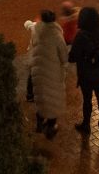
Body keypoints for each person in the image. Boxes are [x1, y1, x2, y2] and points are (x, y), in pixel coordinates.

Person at [69, 6, 99, 134]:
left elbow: (72, 57)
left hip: (86, 74)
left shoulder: (81, 36)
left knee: (87, 99)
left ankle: (86, 125)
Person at [27, 9, 68, 139]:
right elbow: (64, 57)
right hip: (53, 73)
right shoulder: (57, 36)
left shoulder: (36, 31)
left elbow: (32, 44)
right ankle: (50, 128)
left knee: (41, 98)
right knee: (53, 100)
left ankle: (39, 124)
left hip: (38, 70)